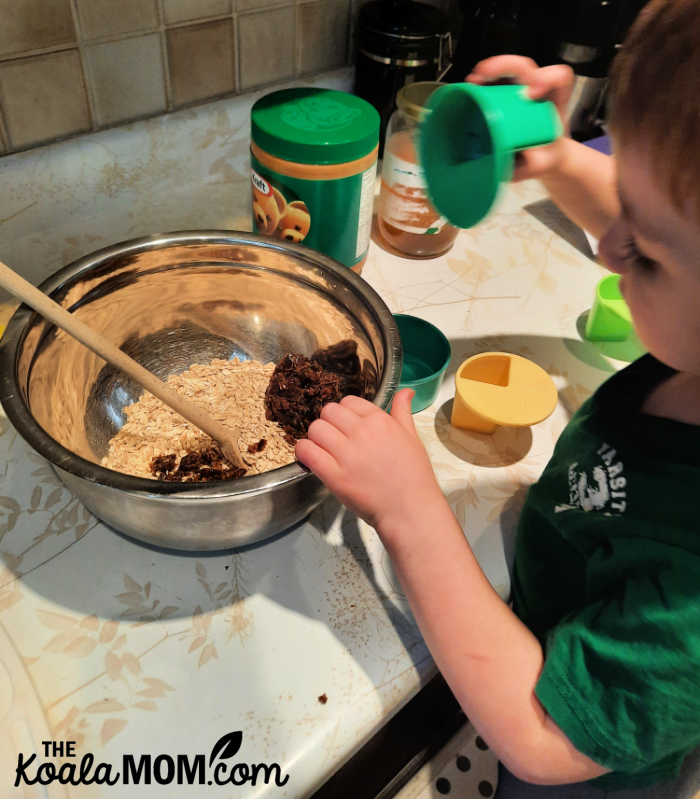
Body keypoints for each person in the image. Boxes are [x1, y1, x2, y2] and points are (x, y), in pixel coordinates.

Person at [296, 0, 700, 793]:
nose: (609, 246)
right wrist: (558, 158)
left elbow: (545, 739)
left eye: (645, 253)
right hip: (554, 604)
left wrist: (411, 509)